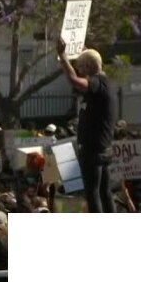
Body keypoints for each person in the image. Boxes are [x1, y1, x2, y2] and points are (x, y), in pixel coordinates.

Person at [57, 38, 115, 213]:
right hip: (102, 147)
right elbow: (89, 64)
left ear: (90, 67)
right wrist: (82, 50)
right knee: (105, 192)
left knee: (92, 193)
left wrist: (63, 56)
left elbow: (74, 80)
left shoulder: (97, 83)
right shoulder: (104, 83)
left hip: (93, 149)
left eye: (82, 68)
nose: (80, 72)